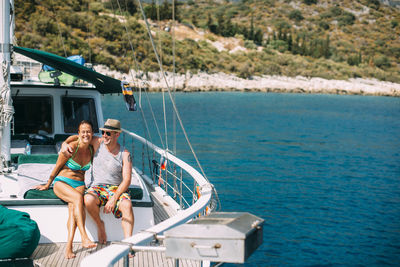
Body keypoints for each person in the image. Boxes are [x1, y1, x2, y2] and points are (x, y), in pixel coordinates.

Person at [62, 119, 134, 245]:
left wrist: (114, 198)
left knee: (127, 205)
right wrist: (65, 143)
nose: (104, 136)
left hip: (115, 188)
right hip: (97, 187)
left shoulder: (124, 154)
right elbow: (79, 135)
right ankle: (100, 225)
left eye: (108, 133)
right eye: (103, 132)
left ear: (117, 134)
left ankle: (128, 243)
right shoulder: (97, 143)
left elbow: (127, 179)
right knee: (88, 200)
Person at [34, 120, 96, 259]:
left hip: (79, 184)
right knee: (78, 199)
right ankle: (84, 237)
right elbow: (56, 167)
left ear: (92, 133)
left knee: (74, 209)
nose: (86, 134)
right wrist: (47, 184)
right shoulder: (71, 148)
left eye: (88, 131)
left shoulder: (91, 149)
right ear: (79, 133)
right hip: (62, 182)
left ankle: (69, 247)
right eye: (83, 131)